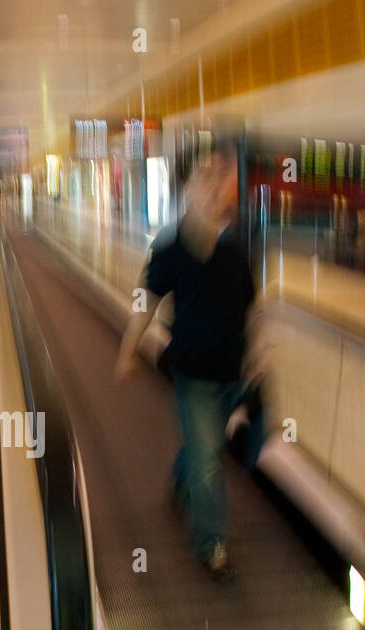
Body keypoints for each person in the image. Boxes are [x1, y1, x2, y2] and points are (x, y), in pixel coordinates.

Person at [114, 152, 255, 579]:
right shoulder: (171, 249)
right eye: (204, 179)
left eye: (221, 180)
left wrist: (257, 357)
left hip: (233, 371)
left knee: (203, 448)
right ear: (187, 191)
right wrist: (127, 350)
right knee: (209, 458)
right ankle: (211, 545)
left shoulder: (237, 250)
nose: (214, 187)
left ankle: (181, 481)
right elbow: (146, 303)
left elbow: (250, 308)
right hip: (193, 371)